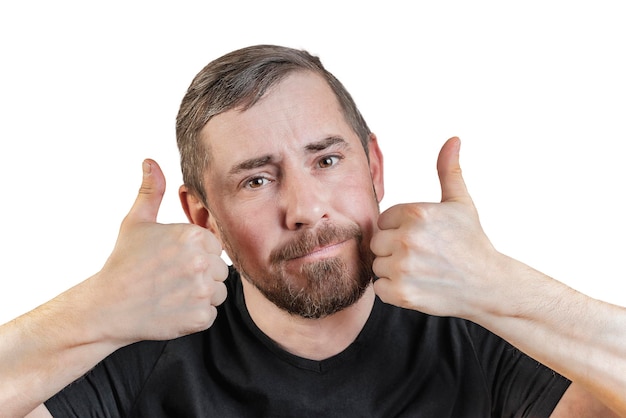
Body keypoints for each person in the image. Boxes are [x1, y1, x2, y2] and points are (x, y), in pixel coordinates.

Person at [1, 44, 625, 417]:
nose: (305, 208)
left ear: (374, 167)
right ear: (201, 217)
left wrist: (501, 285)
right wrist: (94, 309)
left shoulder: (477, 332)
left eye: (327, 160)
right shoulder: (140, 350)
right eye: (256, 179)